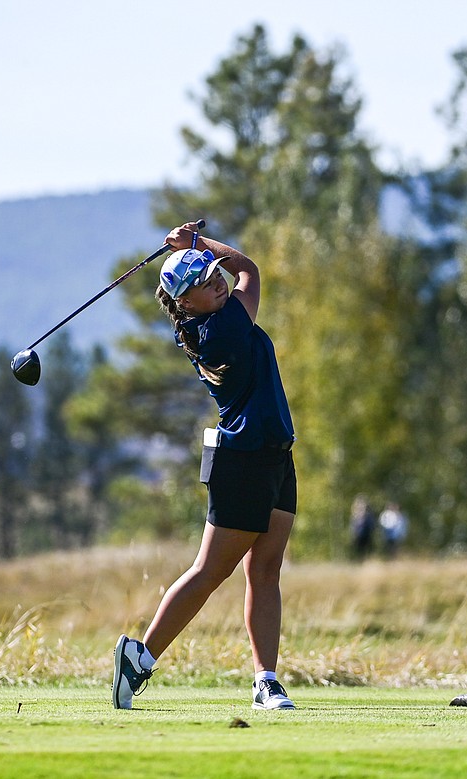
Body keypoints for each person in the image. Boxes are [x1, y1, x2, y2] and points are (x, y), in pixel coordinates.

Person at [111, 221, 298, 711]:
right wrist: (195, 243)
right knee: (210, 571)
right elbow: (248, 270)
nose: (215, 279)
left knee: (266, 570)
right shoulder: (222, 327)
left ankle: (266, 680)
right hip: (245, 460)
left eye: (212, 272)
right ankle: (141, 657)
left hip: (273, 453)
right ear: (186, 303)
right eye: (201, 280)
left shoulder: (209, 321)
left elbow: (236, 274)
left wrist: (195, 251)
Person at [349, 495, 376, 559]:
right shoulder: (355, 515)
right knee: (360, 549)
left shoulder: (368, 515)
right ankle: (361, 560)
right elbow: (353, 526)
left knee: (368, 548)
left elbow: (372, 524)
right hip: (358, 535)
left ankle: (367, 561)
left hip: (367, 534)